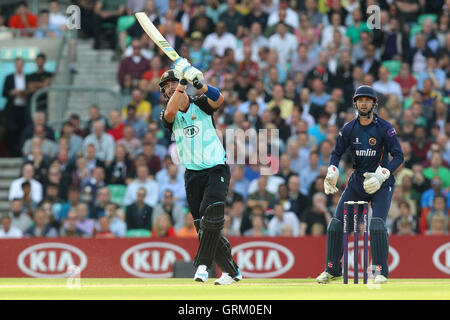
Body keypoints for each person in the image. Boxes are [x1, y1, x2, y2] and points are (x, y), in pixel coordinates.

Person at [160, 62, 241, 285]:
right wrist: (184, 82)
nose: (169, 88)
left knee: (210, 214)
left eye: (173, 83)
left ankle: (203, 265)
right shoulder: (170, 113)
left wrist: (201, 84)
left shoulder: (200, 104)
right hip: (192, 174)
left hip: (215, 167)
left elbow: (220, 99)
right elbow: (169, 112)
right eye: (166, 86)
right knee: (203, 228)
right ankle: (232, 272)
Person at [316, 85, 404, 285]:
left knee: (377, 223)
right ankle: (332, 270)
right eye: (360, 100)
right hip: (358, 182)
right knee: (337, 224)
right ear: (355, 103)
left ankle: (381, 271)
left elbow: (399, 156)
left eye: (368, 100)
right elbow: (336, 152)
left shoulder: (385, 128)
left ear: (374, 103)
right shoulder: (349, 128)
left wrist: (383, 174)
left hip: (381, 183)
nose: (364, 103)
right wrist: (332, 169)